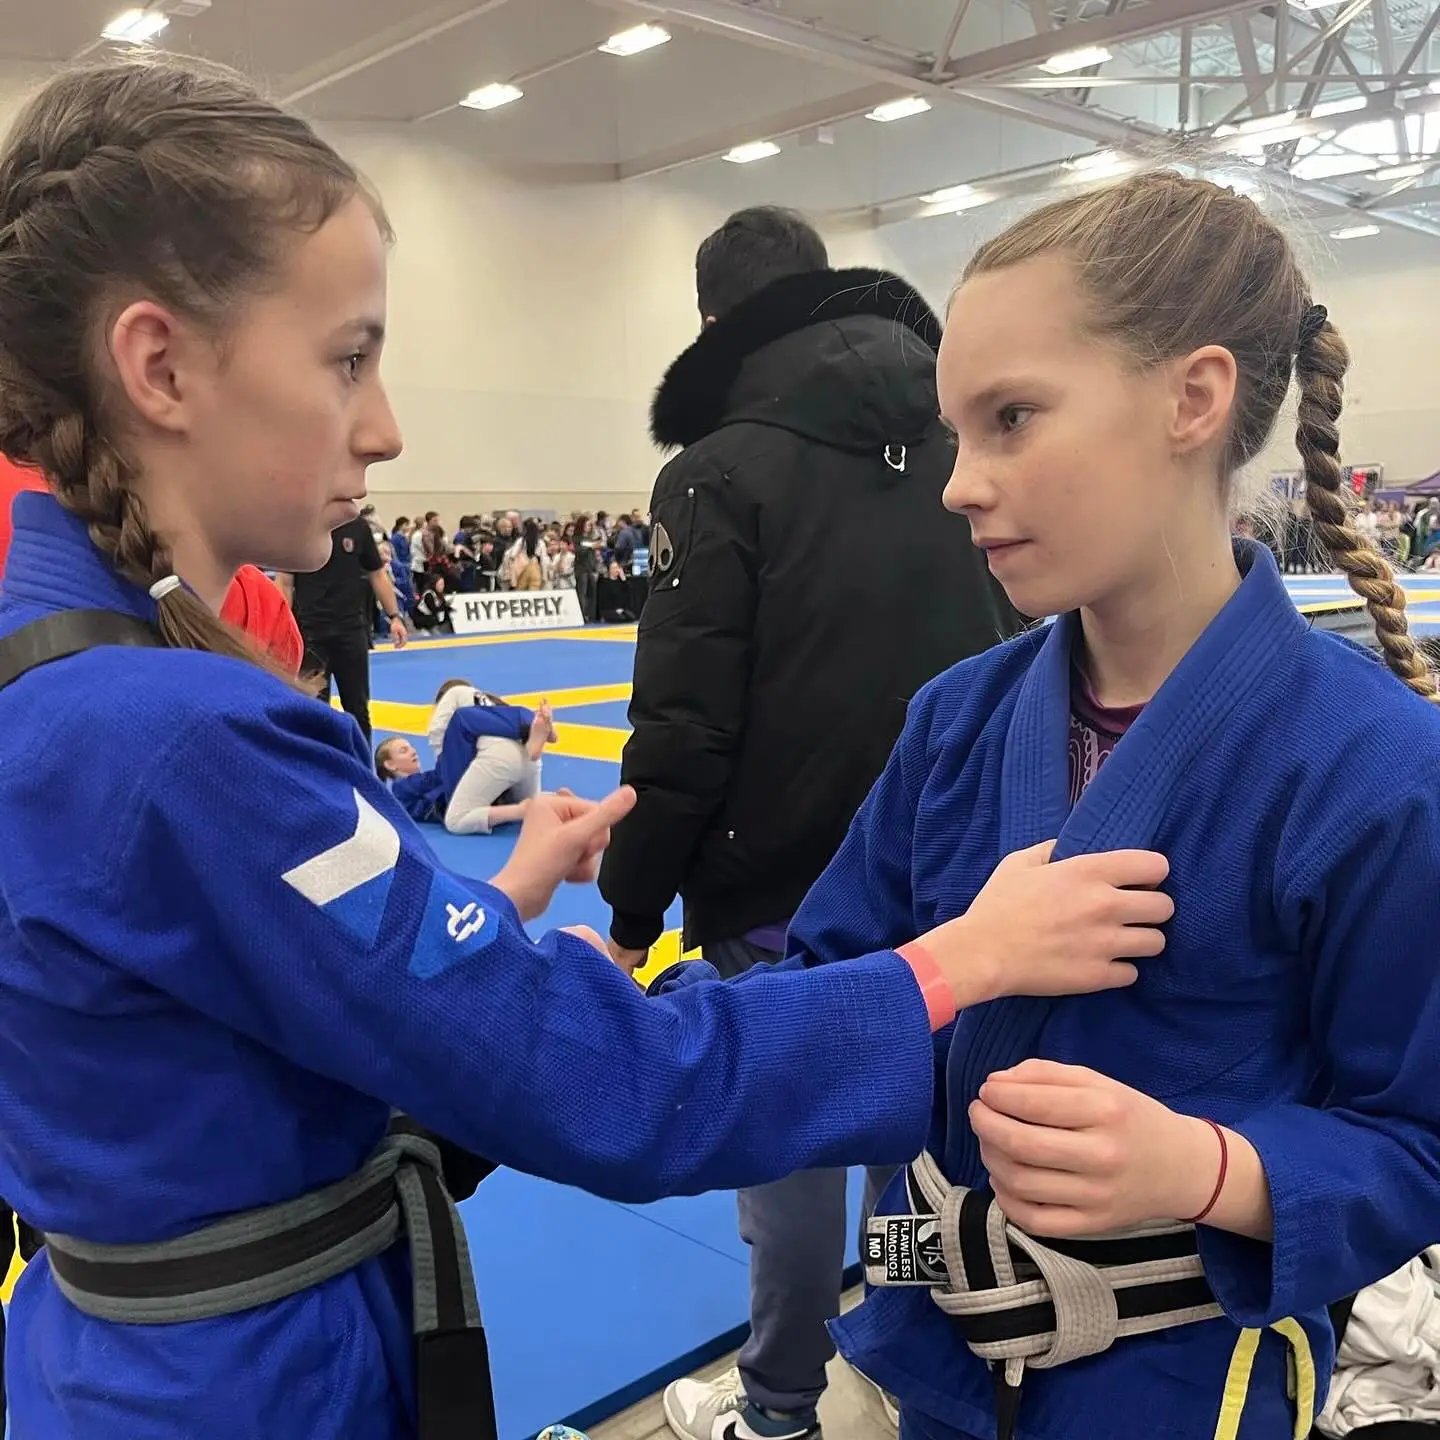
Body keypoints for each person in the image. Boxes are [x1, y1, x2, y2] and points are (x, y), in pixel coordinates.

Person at [0, 56, 1175, 1440]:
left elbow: (229, 995)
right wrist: (956, 962)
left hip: (119, 1363)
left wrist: (492, 908)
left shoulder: (82, 677)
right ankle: (791, 1394)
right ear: (160, 365)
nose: (384, 426)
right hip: (252, 1389)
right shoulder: (173, 730)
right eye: (348, 357)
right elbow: (605, 1079)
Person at [657, 172, 1440, 1440]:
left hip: (1178, 1389)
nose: (960, 483)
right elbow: (830, 992)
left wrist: (1213, 1170)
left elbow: (1417, 1140)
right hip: (918, 1345)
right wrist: (661, 1026)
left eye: (1012, 419)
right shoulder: (955, 722)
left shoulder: (1375, 766)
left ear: (1193, 398)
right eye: (956, 432)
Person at [599, 205, 1021, 1439]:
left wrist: (632, 905)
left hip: (779, 875)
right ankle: (907, 1368)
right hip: (949, 862)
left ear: (717, 325)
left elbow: (684, 721)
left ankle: (781, 1402)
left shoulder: (719, 469)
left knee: (786, 1150)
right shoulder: (958, 440)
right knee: (917, 1141)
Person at [277, 514, 408, 742]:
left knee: (358, 709)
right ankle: (317, 771)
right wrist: (280, 626)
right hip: (309, 634)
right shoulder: (298, 524)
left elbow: (377, 573)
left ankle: (362, 769)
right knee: (313, 710)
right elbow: (284, 583)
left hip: (351, 631)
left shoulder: (357, 527)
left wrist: (394, 616)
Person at [375, 692, 553, 835]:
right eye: (403, 751)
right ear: (391, 765)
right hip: (449, 802)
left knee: (471, 726)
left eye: (411, 747)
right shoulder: (400, 788)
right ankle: (528, 723)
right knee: (461, 720)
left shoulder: (414, 786)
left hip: (464, 796)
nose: (413, 751)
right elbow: (436, 779)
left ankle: (528, 727)